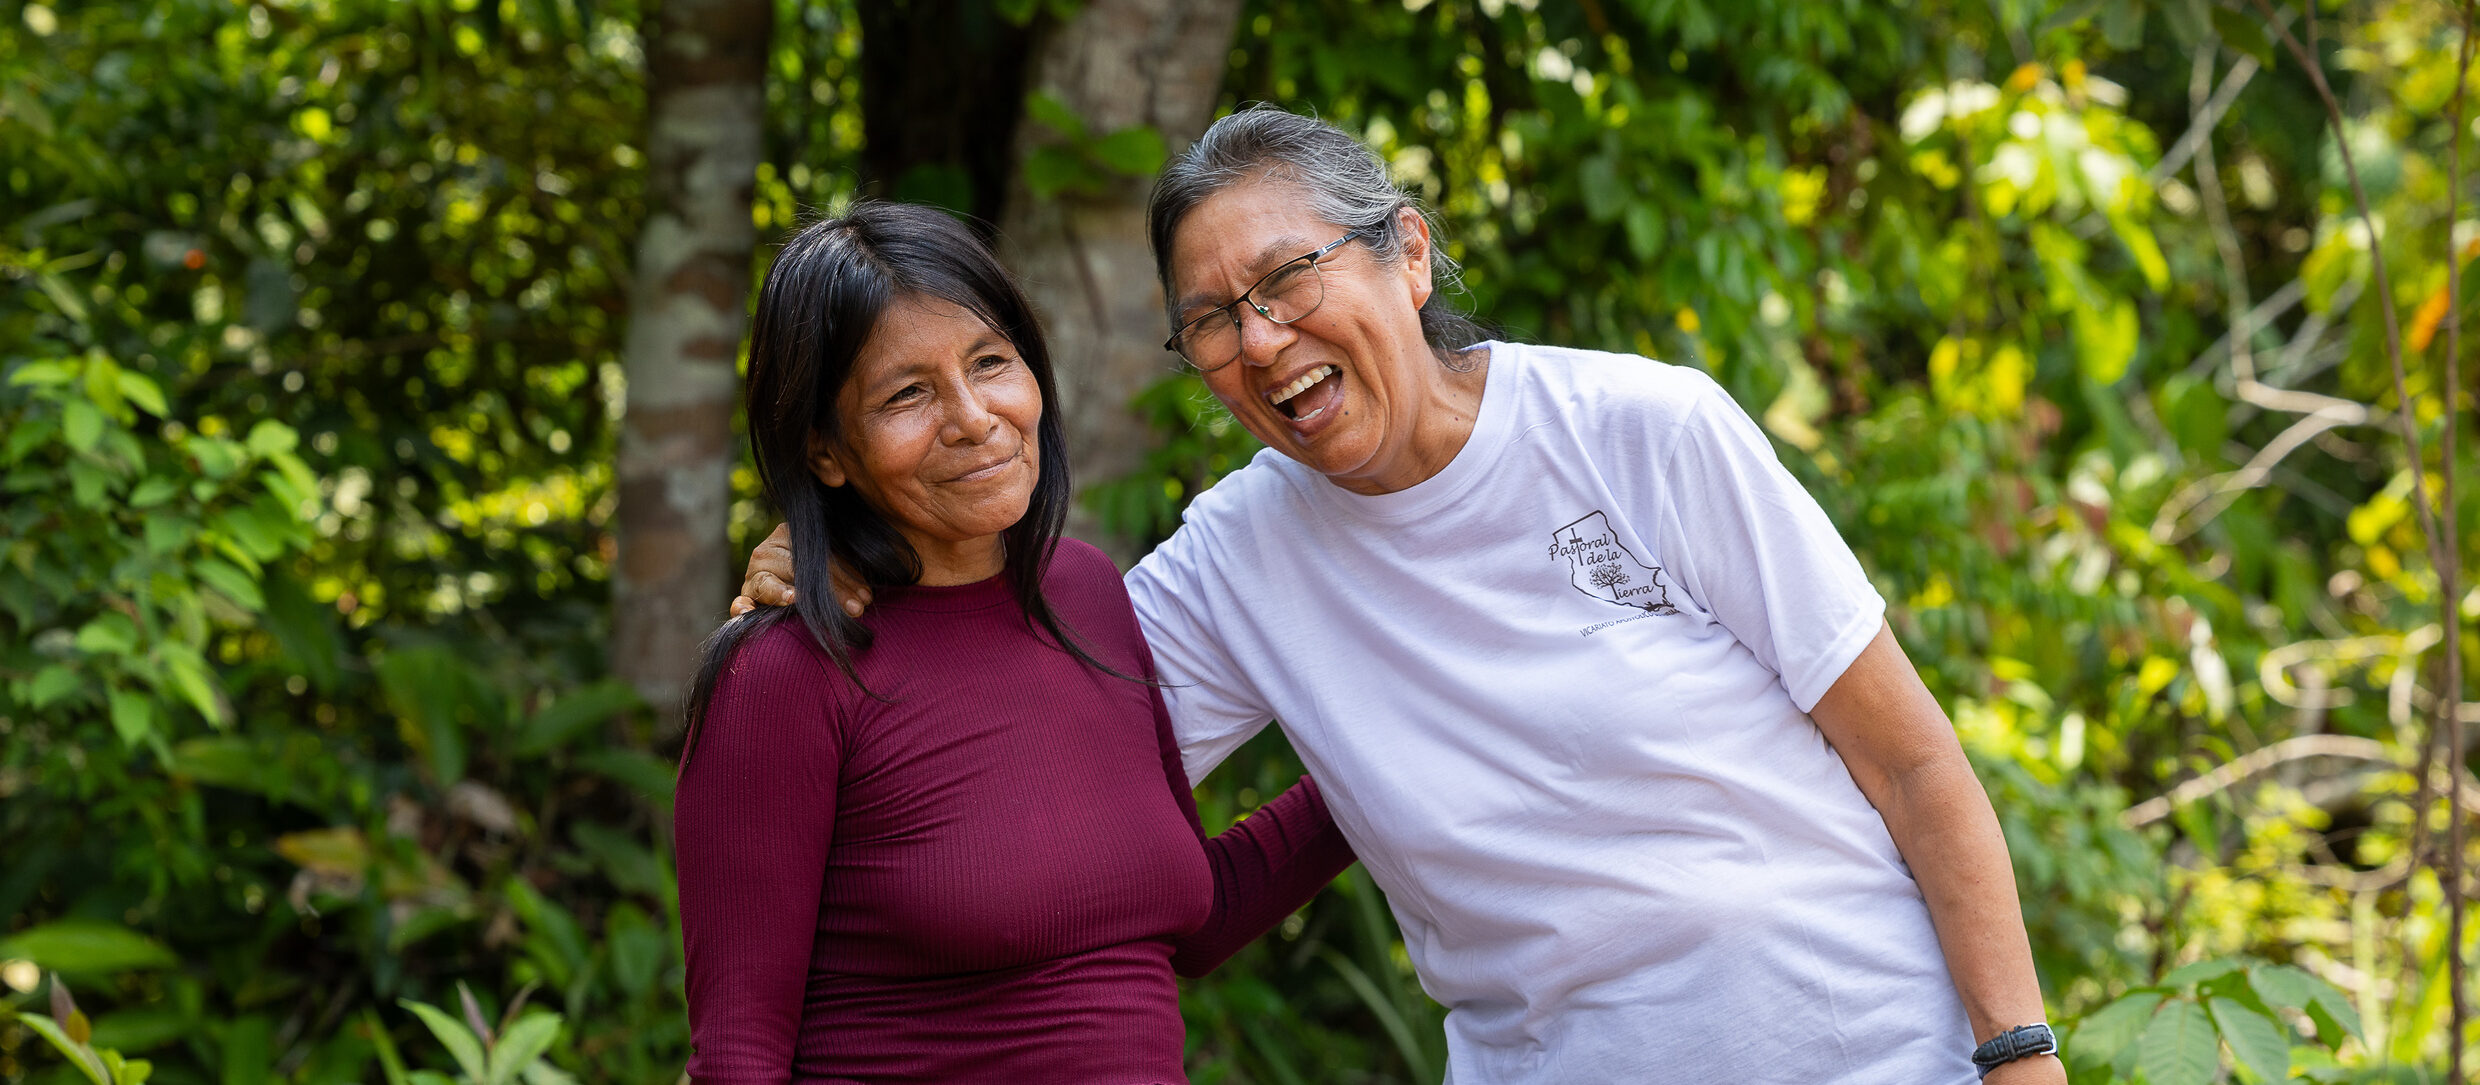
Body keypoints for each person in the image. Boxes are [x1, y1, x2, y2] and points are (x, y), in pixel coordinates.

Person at [739, 109, 2064, 1084]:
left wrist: (2018, 1054)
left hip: (1872, 1053)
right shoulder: (1230, 562)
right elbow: (1004, 758)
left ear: (1409, 256)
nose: (1261, 339)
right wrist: (847, 557)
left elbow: (1914, 765)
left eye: (1288, 278)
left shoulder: (1641, 430)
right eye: (1211, 319)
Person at [675, 201, 1355, 1084]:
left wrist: (1392, 734)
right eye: (906, 394)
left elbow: (1196, 915)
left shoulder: (1086, 594)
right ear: (825, 449)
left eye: (991, 362)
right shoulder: (787, 673)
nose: (973, 417)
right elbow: (736, 1060)